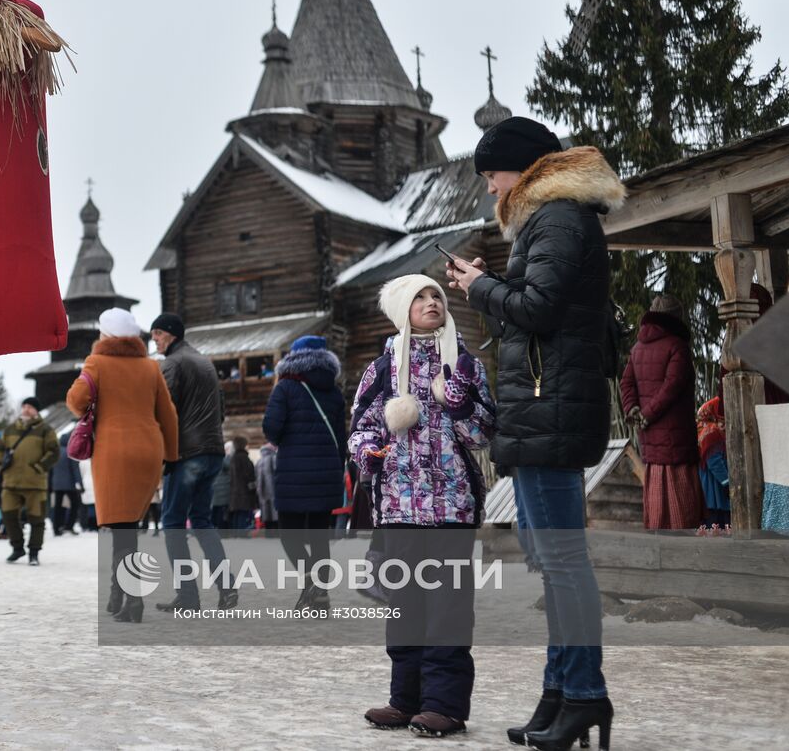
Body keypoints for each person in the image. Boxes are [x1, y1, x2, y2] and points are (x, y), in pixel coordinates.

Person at [447, 118, 625, 750]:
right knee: (551, 565)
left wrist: (477, 287)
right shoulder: (550, 218)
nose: (490, 189)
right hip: (540, 410)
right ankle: (561, 693)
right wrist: (489, 283)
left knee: (563, 564)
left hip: (551, 411)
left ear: (520, 168)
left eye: (492, 175)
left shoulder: (557, 218)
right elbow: (537, 302)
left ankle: (583, 695)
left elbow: (537, 309)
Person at [350, 275, 496, 738]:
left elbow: (483, 434)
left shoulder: (464, 365)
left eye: (437, 295)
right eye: (420, 298)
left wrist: (459, 406)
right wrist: (369, 450)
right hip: (397, 505)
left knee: (448, 607)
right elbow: (359, 429)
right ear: (401, 309)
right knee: (406, 606)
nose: (432, 302)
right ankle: (405, 700)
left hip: (451, 506)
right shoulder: (380, 369)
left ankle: (445, 706)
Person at [67, 307, 179, 621]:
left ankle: (132, 599)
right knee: (128, 527)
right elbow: (168, 415)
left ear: (106, 335)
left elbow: (76, 401)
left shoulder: (97, 362)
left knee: (122, 529)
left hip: (114, 450)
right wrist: (171, 455)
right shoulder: (150, 367)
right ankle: (119, 595)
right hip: (148, 449)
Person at [150, 312, 236, 611]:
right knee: (202, 520)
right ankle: (227, 587)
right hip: (213, 450)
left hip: (187, 452)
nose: (155, 342)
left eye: (157, 335)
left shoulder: (172, 364)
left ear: (170, 334)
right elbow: (221, 410)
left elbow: (164, 408)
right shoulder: (204, 361)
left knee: (172, 521)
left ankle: (188, 596)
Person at [262, 334, 346, 601]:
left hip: (293, 473)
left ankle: (311, 582)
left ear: (293, 358)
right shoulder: (334, 391)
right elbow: (342, 437)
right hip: (327, 472)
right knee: (319, 535)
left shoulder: (285, 387)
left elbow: (271, 429)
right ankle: (319, 593)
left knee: (290, 534)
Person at [621, 294, 702, 530]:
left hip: (649, 437)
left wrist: (635, 410)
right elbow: (673, 386)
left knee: (657, 506)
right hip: (676, 439)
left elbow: (625, 384)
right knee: (683, 511)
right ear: (678, 317)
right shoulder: (678, 347)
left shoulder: (637, 348)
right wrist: (647, 414)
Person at [0, 397, 60, 565]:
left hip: (35, 483)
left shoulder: (46, 430)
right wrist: (3, 465)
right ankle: (17, 548)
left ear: (36, 410)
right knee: (8, 515)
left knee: (37, 520)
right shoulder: (10, 429)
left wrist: (39, 468)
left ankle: (34, 552)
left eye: (30, 407)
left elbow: (54, 452)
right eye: (24, 406)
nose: (26, 409)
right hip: (10, 482)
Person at [696, 395, 730, 526]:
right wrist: (727, 483)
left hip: (708, 486)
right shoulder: (712, 432)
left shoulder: (702, 429)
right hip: (715, 487)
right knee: (717, 524)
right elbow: (714, 461)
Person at [49, 429, 84, 536]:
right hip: (69, 485)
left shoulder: (54, 454)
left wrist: (50, 485)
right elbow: (75, 470)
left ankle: (56, 528)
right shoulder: (70, 452)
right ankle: (69, 526)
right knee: (75, 504)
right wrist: (80, 484)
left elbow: (49, 471)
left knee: (57, 507)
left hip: (56, 485)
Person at [225, 437, 257, 531]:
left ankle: (236, 534)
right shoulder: (244, 458)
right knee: (243, 514)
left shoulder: (232, 459)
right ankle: (242, 534)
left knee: (236, 514)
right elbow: (250, 477)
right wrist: (253, 490)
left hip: (234, 492)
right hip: (244, 492)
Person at [254, 442, 278, 531]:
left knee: (265, 511)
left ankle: (269, 532)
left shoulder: (259, 461)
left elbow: (255, 475)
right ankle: (276, 531)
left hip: (262, 491)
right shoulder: (274, 458)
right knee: (274, 511)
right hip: (273, 489)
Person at [210, 442, 232, 529]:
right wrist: (229, 455)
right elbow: (230, 467)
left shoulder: (211, 457)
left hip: (215, 489)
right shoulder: (223, 458)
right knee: (221, 514)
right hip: (222, 491)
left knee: (215, 512)